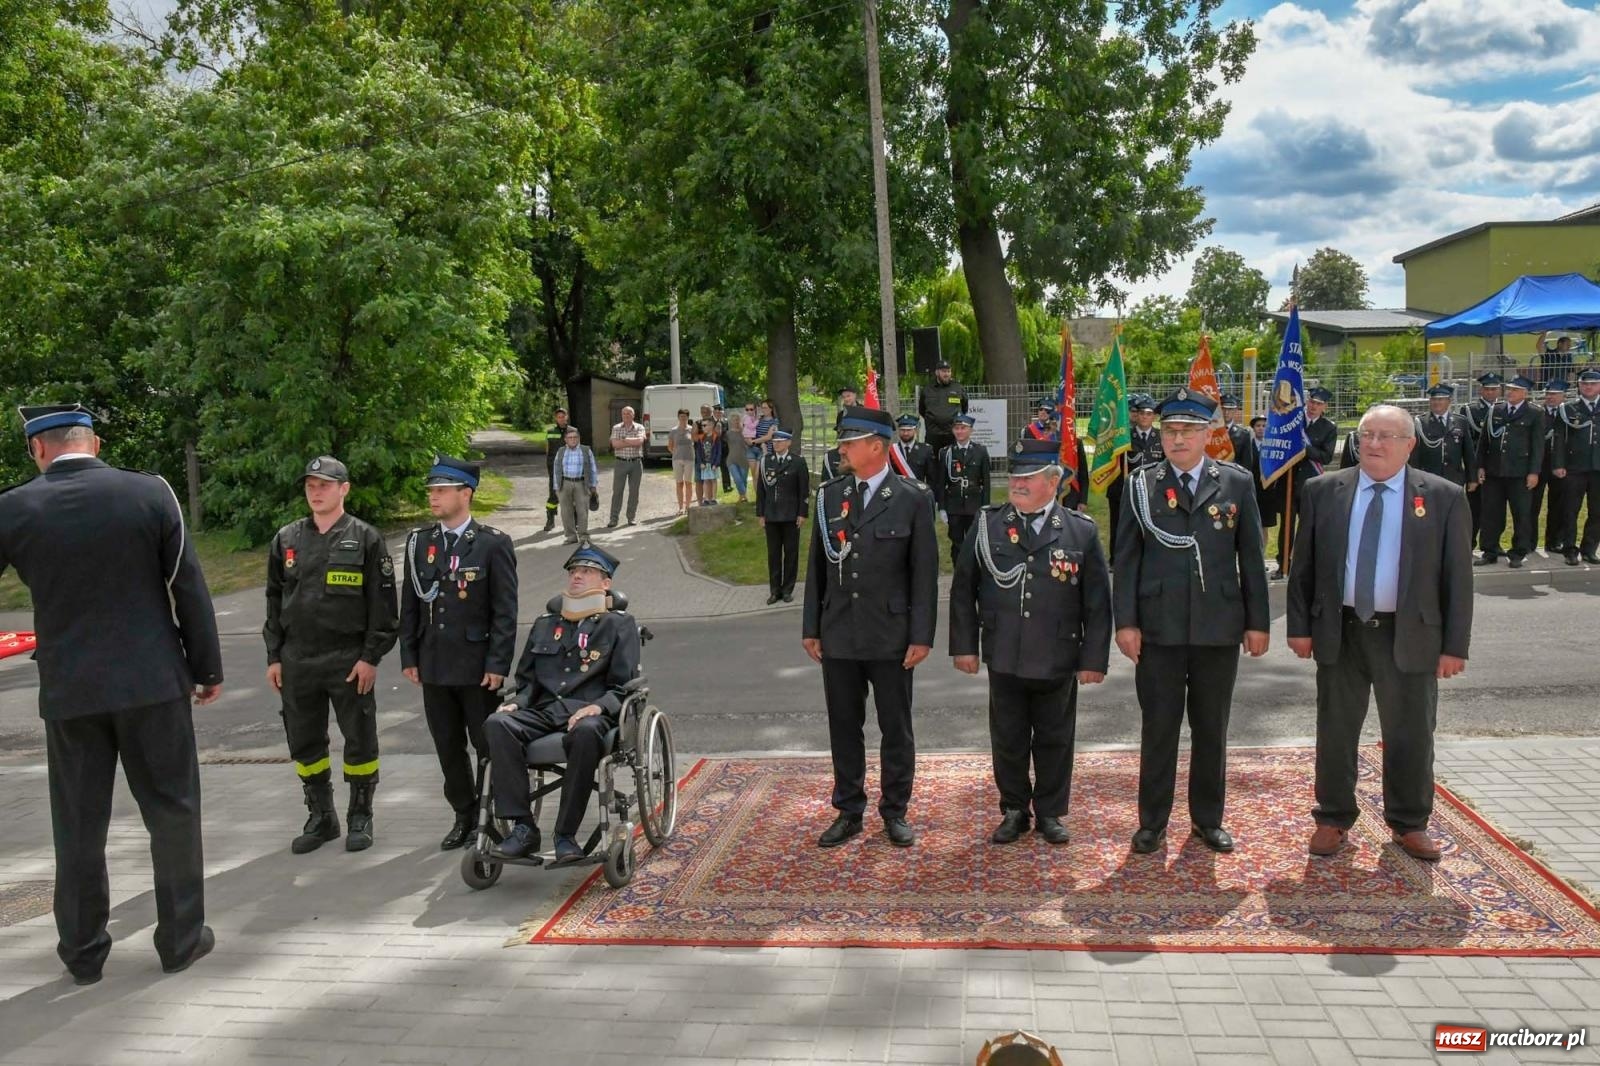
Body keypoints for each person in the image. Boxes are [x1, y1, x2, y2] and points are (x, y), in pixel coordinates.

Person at [0, 404, 222, 985]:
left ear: (37, 449)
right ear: (94, 442)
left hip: (71, 691)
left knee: (77, 824)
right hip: (153, 684)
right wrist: (207, 668)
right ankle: (180, 940)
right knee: (172, 811)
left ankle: (82, 952)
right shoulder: (150, 495)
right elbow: (187, 585)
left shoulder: (14, 508)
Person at [1287, 405, 1473, 863]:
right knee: (1335, 730)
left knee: (1410, 733)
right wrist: (1299, 628)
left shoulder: (1444, 496)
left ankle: (1409, 823)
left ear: (1410, 444)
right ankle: (1332, 817)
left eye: (1387, 436)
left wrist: (1454, 646)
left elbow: (1458, 578)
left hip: (1409, 636)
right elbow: (1302, 567)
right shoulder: (1323, 490)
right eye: (1367, 434)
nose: (1373, 444)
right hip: (1341, 631)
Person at [1113, 388, 1270, 855]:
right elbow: (1125, 558)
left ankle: (1207, 819)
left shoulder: (1236, 483)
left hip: (1218, 627)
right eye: (1169, 431)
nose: (1177, 439)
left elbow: (1252, 559)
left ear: (1207, 435)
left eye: (1187, 431)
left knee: (1211, 727)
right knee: (1158, 727)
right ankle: (1152, 822)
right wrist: (1127, 622)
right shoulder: (1140, 484)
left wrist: (1257, 622)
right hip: (1158, 628)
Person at [949, 437, 1111, 845]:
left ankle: (1051, 812)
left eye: (1028, 477)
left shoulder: (1079, 530)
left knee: (1056, 737)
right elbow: (963, 588)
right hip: (1004, 652)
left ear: (1053, 481)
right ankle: (1015, 809)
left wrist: (1094, 658)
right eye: (1015, 476)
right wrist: (965, 646)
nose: (1017, 484)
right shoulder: (988, 525)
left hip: (1057, 654)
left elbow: (1097, 602)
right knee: (1008, 737)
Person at [802, 406, 939, 849]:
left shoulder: (913, 497)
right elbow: (818, 567)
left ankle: (895, 811)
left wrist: (922, 634)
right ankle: (849, 810)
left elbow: (924, 573)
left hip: (891, 634)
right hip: (840, 630)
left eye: (850, 441)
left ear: (876, 447)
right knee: (844, 725)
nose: (842, 448)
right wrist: (811, 626)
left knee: (895, 727)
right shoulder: (829, 496)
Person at [265, 456, 399, 854]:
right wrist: (274, 656)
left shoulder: (366, 538)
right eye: (310, 485)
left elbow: (384, 607)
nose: (316, 491)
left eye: (325, 484)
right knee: (304, 742)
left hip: (348, 659)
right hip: (297, 660)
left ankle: (361, 815)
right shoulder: (286, 538)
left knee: (358, 741)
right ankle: (321, 817)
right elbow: (274, 599)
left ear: (344, 489)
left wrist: (371, 657)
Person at [486, 545, 641, 865]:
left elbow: (622, 685)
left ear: (606, 582)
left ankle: (565, 836)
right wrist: (517, 703)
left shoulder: (618, 625)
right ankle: (523, 828)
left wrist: (598, 707)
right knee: (497, 723)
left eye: (586, 571)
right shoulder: (546, 623)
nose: (577, 576)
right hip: (544, 710)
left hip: (591, 712)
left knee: (585, 733)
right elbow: (526, 679)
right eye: (573, 571)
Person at [399, 456, 518, 850]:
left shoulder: (492, 544)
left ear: (465, 494)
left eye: (441, 490)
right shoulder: (421, 544)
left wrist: (498, 664)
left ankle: (493, 816)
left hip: (476, 667)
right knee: (447, 745)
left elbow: (505, 611)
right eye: (431, 490)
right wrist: (409, 656)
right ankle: (464, 815)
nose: (433, 497)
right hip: (434, 663)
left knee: (486, 745)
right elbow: (411, 604)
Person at [1475, 375, 1543, 568]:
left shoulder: (1534, 413)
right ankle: (1489, 550)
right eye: (1509, 389)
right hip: (1494, 471)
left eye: (1514, 390)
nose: (1510, 392)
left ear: (1524, 393)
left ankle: (1518, 552)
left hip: (1520, 473)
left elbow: (1538, 446)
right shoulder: (1495, 410)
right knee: (1491, 513)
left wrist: (1534, 472)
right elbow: (1484, 441)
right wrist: (1480, 465)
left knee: (1521, 514)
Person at [1552, 368, 1600, 565]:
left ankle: (1589, 549)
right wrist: (1558, 464)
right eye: (1585, 383)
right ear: (1579, 386)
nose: (1588, 387)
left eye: (1593, 383)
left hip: (1598, 468)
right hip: (1574, 468)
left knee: (1597, 511)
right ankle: (1570, 549)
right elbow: (1558, 439)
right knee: (1570, 510)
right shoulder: (1568, 409)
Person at [756, 429, 809, 604]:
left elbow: (803, 490)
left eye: (779, 441)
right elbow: (761, 491)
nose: (776, 444)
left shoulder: (798, 462)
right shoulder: (766, 461)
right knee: (773, 554)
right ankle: (774, 590)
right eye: (774, 441)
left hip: (790, 515)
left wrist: (802, 513)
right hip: (771, 515)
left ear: (788, 443)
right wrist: (761, 514)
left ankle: (787, 590)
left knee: (791, 554)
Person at [932, 413, 991, 566]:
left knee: (974, 540)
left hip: (974, 503)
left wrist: (985, 507)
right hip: (954, 504)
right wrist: (943, 508)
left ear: (970, 430)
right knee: (956, 541)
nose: (959, 431)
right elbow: (941, 482)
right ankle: (959, 571)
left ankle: (973, 571)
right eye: (956, 428)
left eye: (963, 428)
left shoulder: (980, 451)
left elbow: (986, 482)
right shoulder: (946, 453)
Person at [1110, 394, 1163, 561]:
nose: (1145, 417)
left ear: (1153, 416)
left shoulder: (1161, 437)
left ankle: (1151, 558)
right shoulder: (1125, 437)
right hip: (1128, 489)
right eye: (1141, 413)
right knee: (1123, 526)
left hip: (1153, 490)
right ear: (1136, 415)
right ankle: (1117, 558)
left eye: (1148, 414)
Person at [1462, 373, 1502, 546]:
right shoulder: (1471, 410)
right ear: (1481, 390)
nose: (1491, 393)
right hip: (1478, 465)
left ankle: (1493, 544)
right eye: (1487, 389)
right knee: (1474, 509)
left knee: (1495, 509)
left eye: (1494, 389)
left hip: (1497, 466)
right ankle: (1469, 543)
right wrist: (1473, 471)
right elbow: (1469, 445)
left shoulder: (1504, 409)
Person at [1409, 385, 1473, 488]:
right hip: (1429, 478)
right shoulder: (1420, 422)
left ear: (1449, 401)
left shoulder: (1460, 421)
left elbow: (1468, 453)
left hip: (1454, 478)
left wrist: (1472, 478)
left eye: (1440, 399)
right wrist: (1413, 478)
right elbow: (1414, 455)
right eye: (1433, 399)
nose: (1436, 402)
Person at [1532, 380, 1569, 556]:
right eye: (1548, 394)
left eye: (1554, 394)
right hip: (1538, 465)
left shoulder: (1567, 413)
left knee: (1558, 505)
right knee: (1532, 506)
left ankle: (1554, 541)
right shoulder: (1537, 413)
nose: (1550, 397)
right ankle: (1529, 542)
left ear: (1563, 395)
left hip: (1560, 466)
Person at [551, 425, 600, 543]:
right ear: (565, 439)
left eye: (575, 437)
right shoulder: (561, 451)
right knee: (566, 511)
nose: (573, 439)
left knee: (582, 510)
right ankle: (571, 536)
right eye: (570, 437)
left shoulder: (586, 450)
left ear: (578, 439)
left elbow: (593, 468)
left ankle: (583, 535)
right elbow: (556, 469)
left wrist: (593, 486)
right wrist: (557, 488)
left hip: (581, 483)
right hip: (565, 483)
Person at [606, 406, 647, 528]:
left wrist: (623, 439)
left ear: (633, 415)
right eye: (624, 413)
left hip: (636, 463)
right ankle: (613, 519)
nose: (626, 415)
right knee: (617, 491)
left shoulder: (640, 427)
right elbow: (615, 444)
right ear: (621, 415)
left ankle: (631, 517)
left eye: (629, 413)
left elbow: (639, 442)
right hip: (620, 463)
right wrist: (631, 441)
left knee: (634, 492)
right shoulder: (616, 428)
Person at [918, 359, 969, 456]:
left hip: (953, 434)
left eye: (948, 371)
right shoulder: (928, 389)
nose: (946, 374)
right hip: (933, 435)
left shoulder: (958, 388)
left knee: (954, 464)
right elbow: (922, 410)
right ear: (937, 372)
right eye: (943, 371)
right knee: (933, 464)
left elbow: (964, 408)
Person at [542, 407, 571, 533]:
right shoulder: (550, 431)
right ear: (556, 418)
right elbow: (548, 450)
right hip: (554, 467)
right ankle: (550, 519)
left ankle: (572, 522)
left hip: (570, 467)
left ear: (566, 417)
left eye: (563, 416)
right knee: (554, 493)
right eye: (558, 416)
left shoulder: (573, 431)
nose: (561, 418)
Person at [667, 409, 696, 516]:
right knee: (679, 483)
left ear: (688, 417)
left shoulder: (692, 429)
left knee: (688, 483)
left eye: (685, 416)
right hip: (677, 460)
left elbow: (696, 442)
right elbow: (669, 446)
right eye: (681, 416)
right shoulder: (673, 430)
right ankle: (680, 507)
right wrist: (675, 453)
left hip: (689, 459)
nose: (683, 418)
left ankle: (688, 507)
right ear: (678, 417)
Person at [895, 414, 935, 484]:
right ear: (898, 430)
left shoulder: (926, 450)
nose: (905, 433)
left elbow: (932, 478)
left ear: (915, 430)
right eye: (902, 430)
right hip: (898, 493)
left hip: (918, 492)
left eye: (909, 430)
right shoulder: (892, 451)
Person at [1054, 437, 1091, 512]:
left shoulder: (1076, 442)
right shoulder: (1044, 440)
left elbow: (1083, 473)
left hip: (1072, 500)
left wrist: (1083, 500)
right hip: (1050, 498)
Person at [694, 417, 722, 505]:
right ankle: (706, 499)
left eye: (705, 425)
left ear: (711, 426)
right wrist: (701, 463)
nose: (703, 427)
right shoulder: (701, 438)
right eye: (702, 425)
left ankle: (713, 498)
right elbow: (698, 452)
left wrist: (716, 464)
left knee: (713, 480)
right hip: (704, 464)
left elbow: (719, 452)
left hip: (713, 463)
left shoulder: (716, 437)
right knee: (705, 481)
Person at [724, 409, 750, 502]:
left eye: (737, 419)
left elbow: (750, 444)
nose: (735, 421)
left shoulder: (745, 432)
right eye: (734, 420)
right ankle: (743, 494)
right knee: (737, 479)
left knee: (743, 480)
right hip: (731, 460)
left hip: (744, 459)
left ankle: (742, 496)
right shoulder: (727, 434)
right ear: (731, 421)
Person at [713, 403, 734, 494]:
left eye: (720, 412)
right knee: (712, 468)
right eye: (716, 412)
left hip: (724, 447)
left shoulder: (726, 422)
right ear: (713, 412)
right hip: (713, 448)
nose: (718, 413)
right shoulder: (710, 422)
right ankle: (710, 489)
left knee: (725, 467)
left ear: (722, 412)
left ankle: (727, 486)